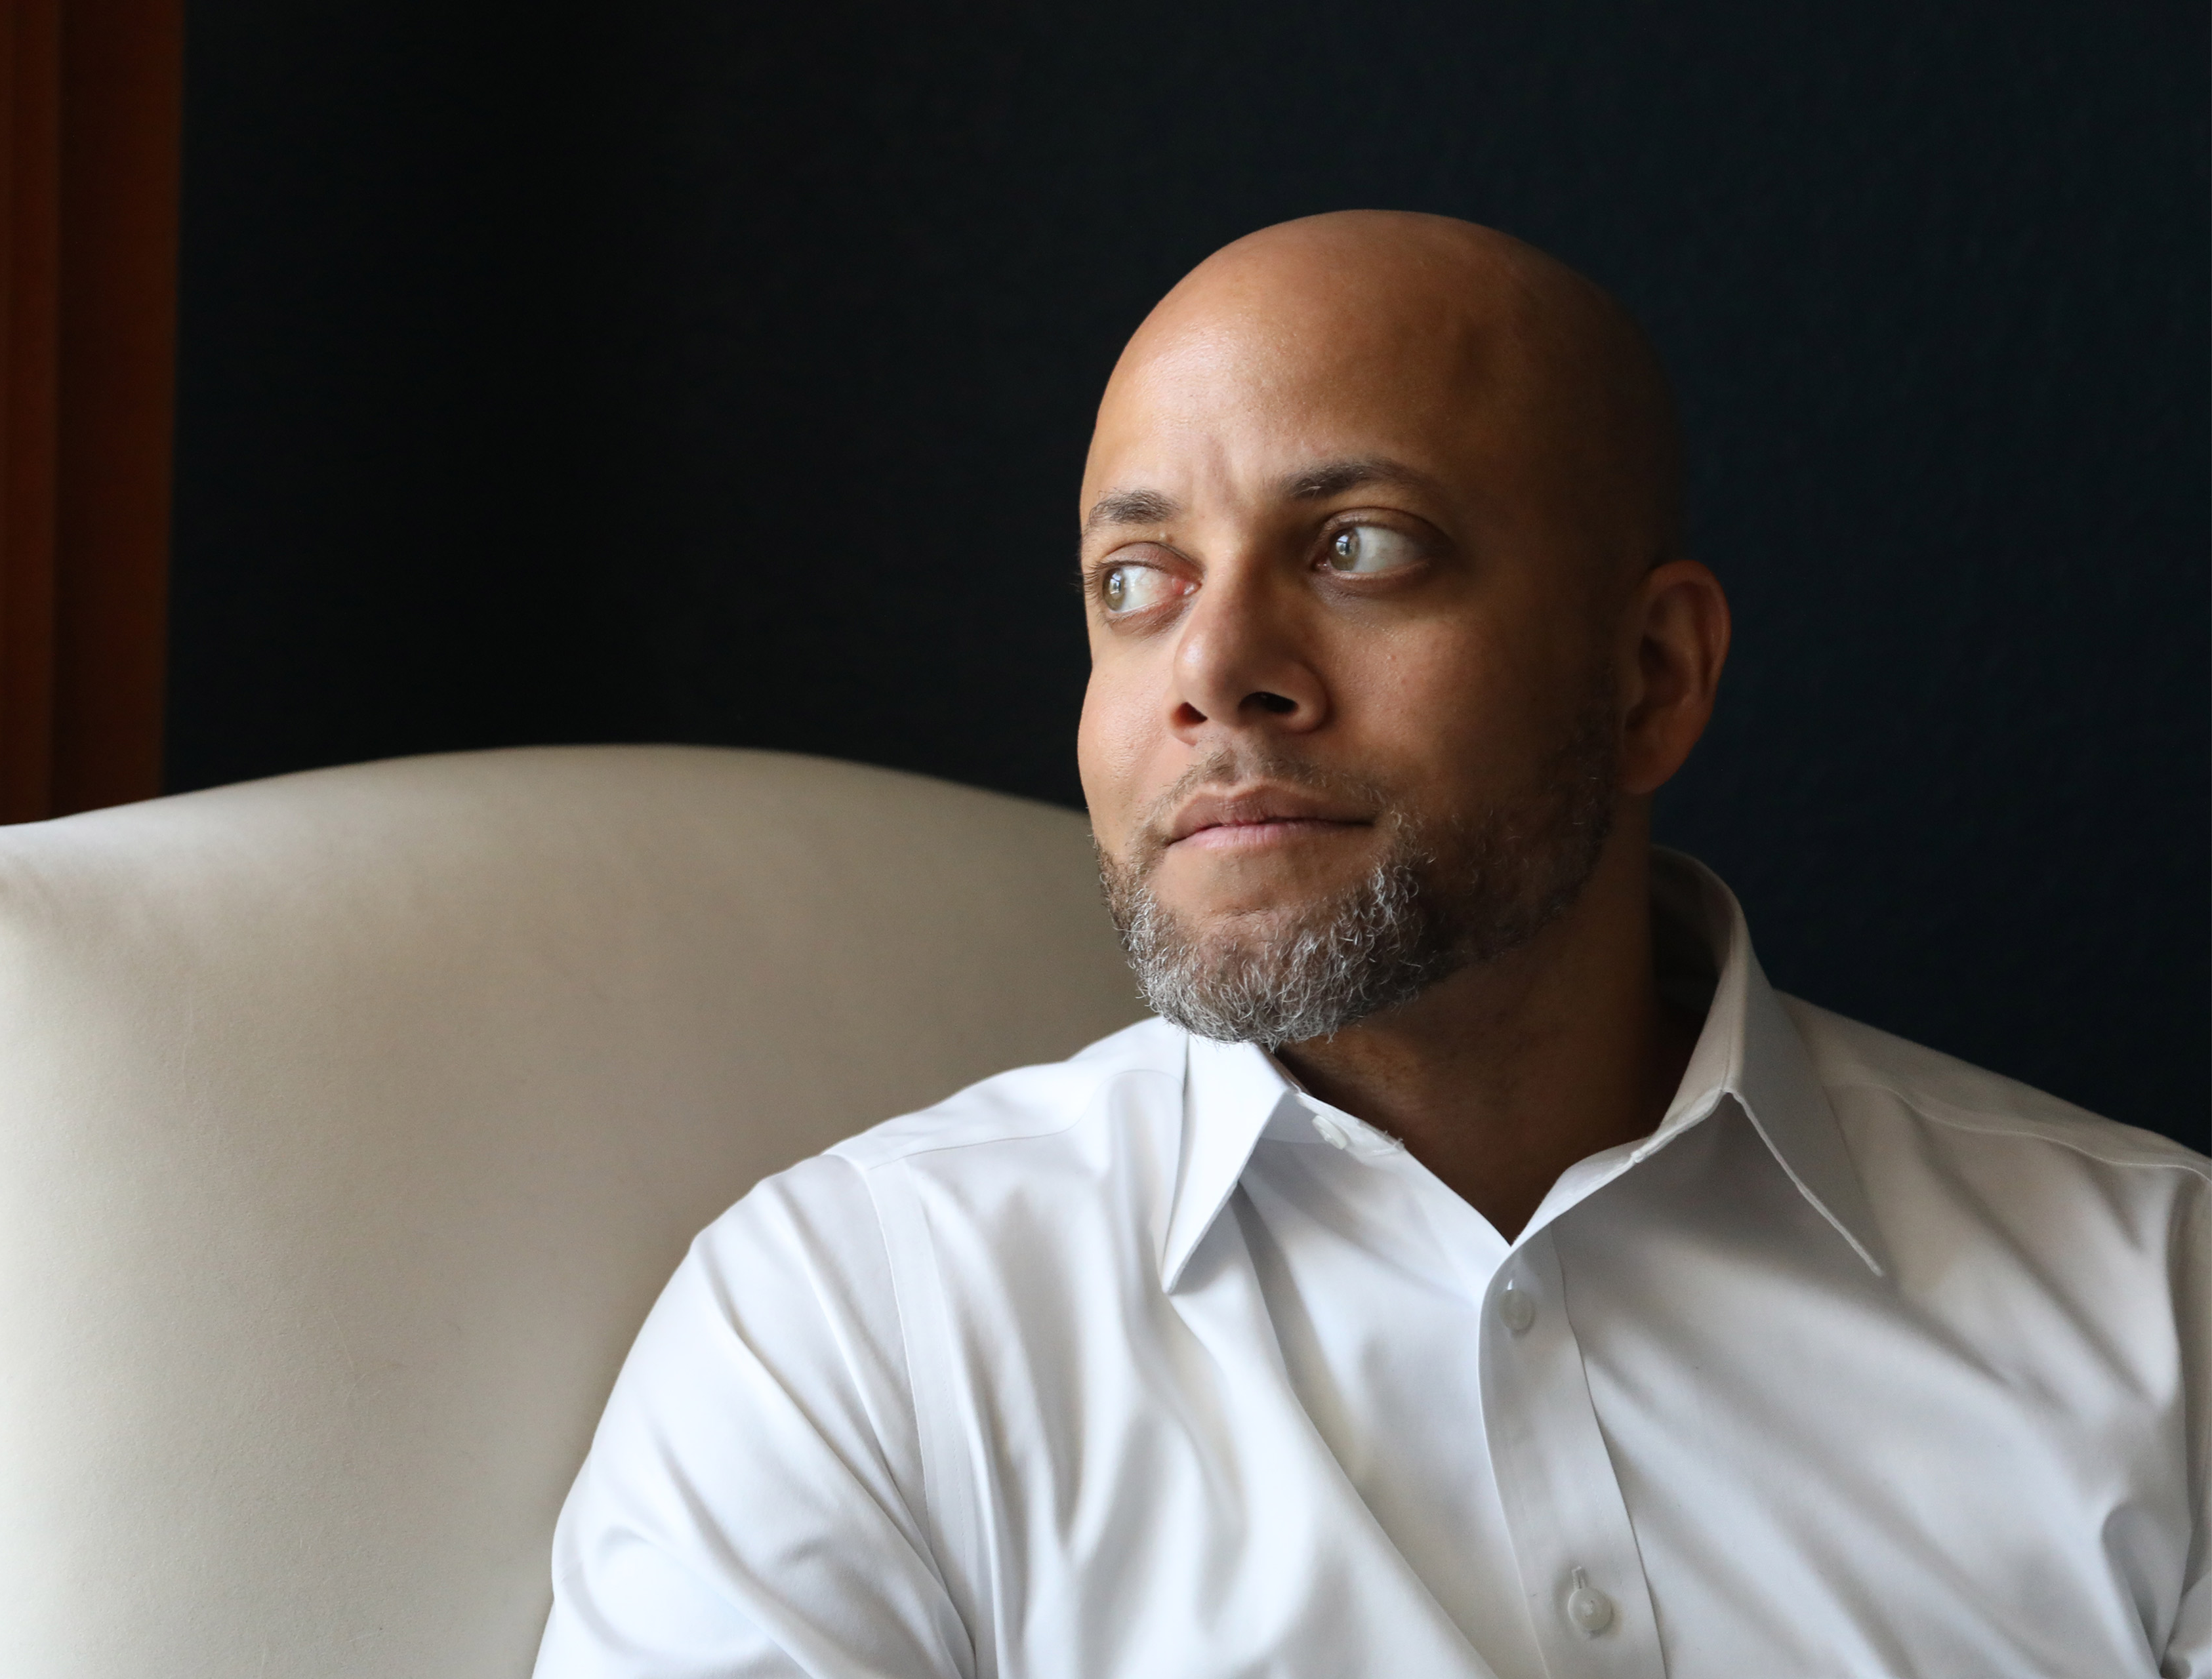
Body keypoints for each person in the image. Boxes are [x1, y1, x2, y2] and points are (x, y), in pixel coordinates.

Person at [534, 212, 2209, 1678]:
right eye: (1137, 579)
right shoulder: (848, 1333)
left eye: (1358, 548)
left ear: (1651, 676)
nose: (1217, 663)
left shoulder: (2164, 1303)